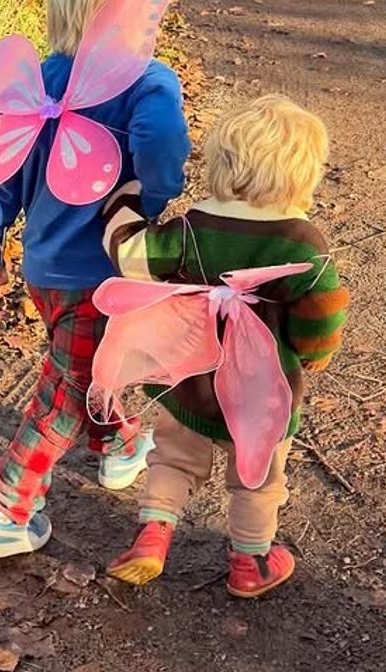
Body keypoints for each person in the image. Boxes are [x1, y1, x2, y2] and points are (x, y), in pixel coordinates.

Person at [0, 0, 192, 557]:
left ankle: (120, 448)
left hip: (45, 267)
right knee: (66, 390)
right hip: (104, 271)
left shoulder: (39, 80)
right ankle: (7, 511)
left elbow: (2, 164)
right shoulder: (146, 82)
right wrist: (147, 198)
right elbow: (161, 146)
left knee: (92, 363)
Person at [101, 95, 348, 597]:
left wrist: (121, 200)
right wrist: (313, 355)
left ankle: (153, 532)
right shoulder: (303, 243)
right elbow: (321, 318)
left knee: (172, 457)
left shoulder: (195, 227)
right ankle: (250, 563)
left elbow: (131, 255)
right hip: (260, 392)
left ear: (224, 163)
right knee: (256, 474)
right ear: (303, 175)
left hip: (189, 377)